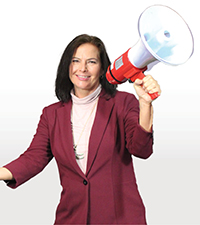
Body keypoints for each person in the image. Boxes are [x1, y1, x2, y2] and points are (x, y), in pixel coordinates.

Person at [0, 34, 161, 224]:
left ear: (102, 68)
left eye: (91, 62)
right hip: (72, 217)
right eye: (76, 60)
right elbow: (34, 157)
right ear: (67, 65)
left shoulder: (123, 103)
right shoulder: (51, 114)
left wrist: (145, 104)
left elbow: (141, 150)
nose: (82, 68)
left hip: (119, 218)